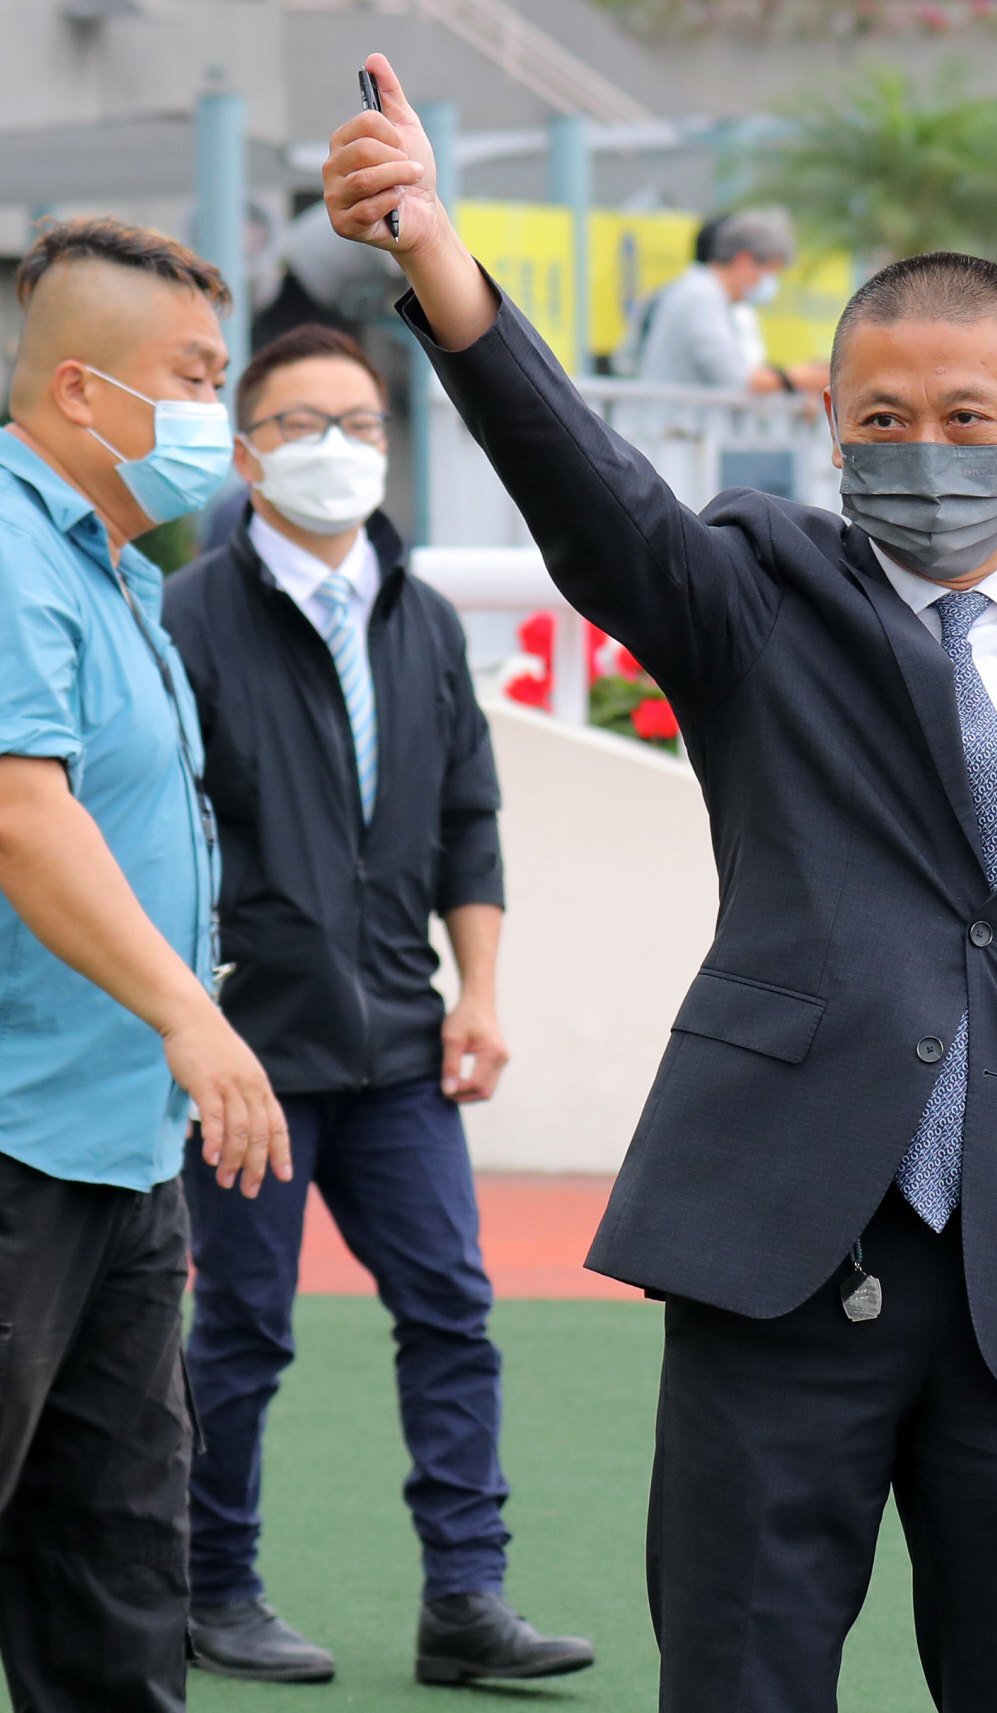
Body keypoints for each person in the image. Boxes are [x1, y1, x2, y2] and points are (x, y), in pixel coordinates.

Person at [325, 55, 997, 1713]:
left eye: (965, 419)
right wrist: (437, 262)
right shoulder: (762, 594)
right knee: (739, 1676)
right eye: (880, 419)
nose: (921, 449)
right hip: (781, 1249)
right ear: (827, 420)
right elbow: (597, 502)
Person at [161, 324, 594, 1688]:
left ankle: (466, 1600)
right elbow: (156, 837)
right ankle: (210, 1584)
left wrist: (481, 990)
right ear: (245, 452)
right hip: (250, 1057)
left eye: (357, 419)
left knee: (453, 1313)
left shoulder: (416, 615)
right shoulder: (190, 620)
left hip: (403, 1045)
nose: (333, 447)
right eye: (298, 423)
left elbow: (469, 814)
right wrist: (194, 1020)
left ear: (393, 442)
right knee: (243, 1328)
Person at [0, 216, 291, 1711]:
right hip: (14, 1139)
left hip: (114, 1155)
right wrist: (192, 1014)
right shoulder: (4, 551)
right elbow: (19, 811)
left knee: (114, 1568)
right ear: (77, 396)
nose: (215, 416)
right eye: (192, 377)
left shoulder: (112, 571)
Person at [631, 207, 827, 395]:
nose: (768, 284)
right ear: (744, 260)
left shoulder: (709, 296)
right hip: (671, 424)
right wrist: (797, 379)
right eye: (769, 272)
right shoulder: (702, 297)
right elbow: (736, 380)